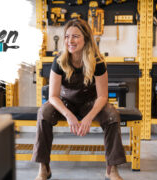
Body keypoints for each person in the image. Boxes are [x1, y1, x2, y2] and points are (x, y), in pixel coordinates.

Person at [32, 19, 126, 180]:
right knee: (44, 112)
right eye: (67, 36)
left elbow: (103, 96)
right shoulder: (59, 61)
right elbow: (53, 96)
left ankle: (112, 169)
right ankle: (43, 167)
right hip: (65, 103)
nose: (70, 41)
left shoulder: (98, 62)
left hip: (90, 103)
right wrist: (69, 115)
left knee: (111, 115)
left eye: (75, 36)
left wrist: (89, 117)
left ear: (86, 39)